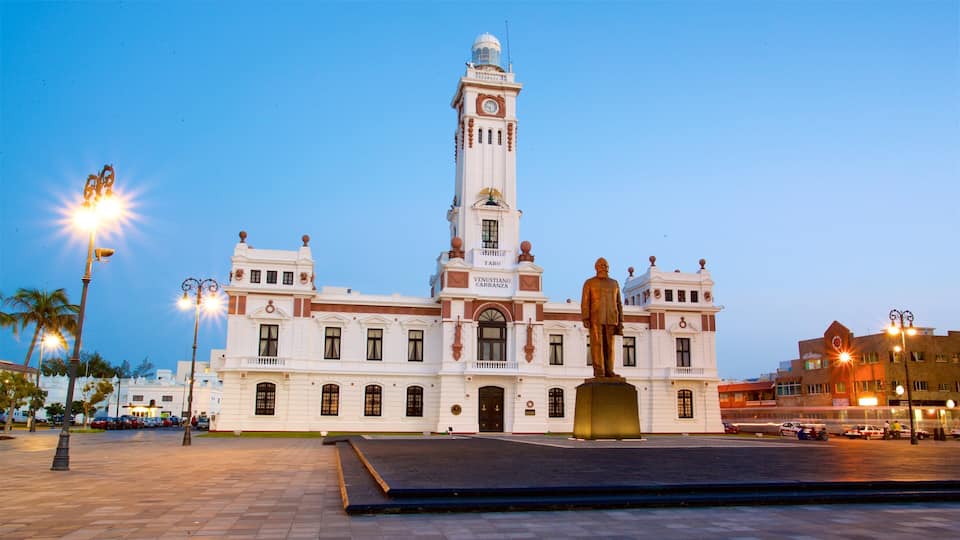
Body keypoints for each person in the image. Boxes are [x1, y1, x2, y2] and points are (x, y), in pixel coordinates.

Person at [581, 257, 623, 379]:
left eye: (605, 265)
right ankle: (599, 371)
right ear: (596, 268)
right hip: (595, 317)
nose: (603, 267)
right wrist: (585, 317)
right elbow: (585, 301)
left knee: (609, 346)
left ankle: (609, 370)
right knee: (597, 344)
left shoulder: (614, 283)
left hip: (611, 318)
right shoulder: (589, 283)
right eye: (601, 265)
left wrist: (620, 321)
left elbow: (619, 303)